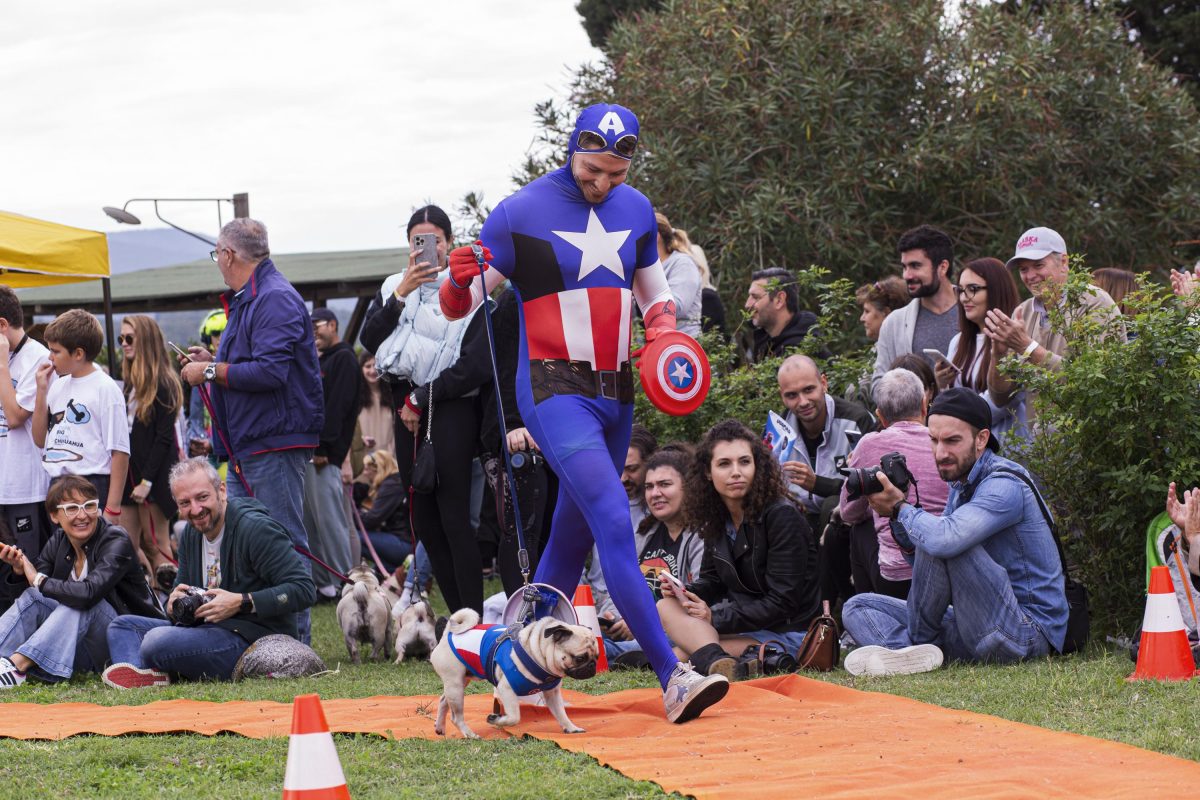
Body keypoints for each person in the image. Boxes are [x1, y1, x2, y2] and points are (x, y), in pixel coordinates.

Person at [439, 103, 729, 722]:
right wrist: (456, 280)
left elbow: (655, 293)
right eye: (594, 170)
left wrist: (664, 337)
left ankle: (518, 670)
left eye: (615, 174)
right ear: (574, 149)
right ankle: (671, 677)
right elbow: (458, 308)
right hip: (549, 389)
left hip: (614, 389)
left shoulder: (633, 209)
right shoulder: (520, 213)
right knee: (612, 520)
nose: (602, 184)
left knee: (569, 540)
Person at [841, 388, 1068, 675]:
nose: (940, 453)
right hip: (977, 622)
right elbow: (928, 563)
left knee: (943, 539)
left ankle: (912, 645)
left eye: (952, 441)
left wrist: (900, 508)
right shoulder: (961, 483)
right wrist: (900, 521)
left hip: (1025, 633)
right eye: (933, 440)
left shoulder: (1005, 485)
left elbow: (943, 542)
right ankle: (918, 655)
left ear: (982, 439)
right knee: (856, 606)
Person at [177, 219, 323, 643]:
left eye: (216, 255)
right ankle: (264, 637)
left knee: (281, 541)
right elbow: (250, 364)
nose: (217, 263)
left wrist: (208, 368)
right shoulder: (252, 298)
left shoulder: (273, 298)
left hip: (272, 441)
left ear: (228, 255)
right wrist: (216, 359)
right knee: (243, 537)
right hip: (251, 443)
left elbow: (271, 372)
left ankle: (296, 646)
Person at [359, 204, 487, 616]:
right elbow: (371, 339)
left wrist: (422, 398)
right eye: (419, 241)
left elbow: (474, 366)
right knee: (425, 524)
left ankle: (473, 618)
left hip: (449, 408)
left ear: (449, 243)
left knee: (453, 518)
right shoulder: (394, 286)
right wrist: (402, 293)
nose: (427, 248)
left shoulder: (472, 287)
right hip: (404, 408)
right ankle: (459, 617)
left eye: (435, 239)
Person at [102, 458, 316, 687]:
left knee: (156, 640)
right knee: (121, 626)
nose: (195, 509)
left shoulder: (256, 529)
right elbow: (183, 591)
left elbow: (304, 589)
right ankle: (150, 676)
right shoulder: (191, 534)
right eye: (185, 503)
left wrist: (241, 602)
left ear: (221, 490)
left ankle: (152, 670)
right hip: (203, 629)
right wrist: (174, 604)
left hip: (249, 636)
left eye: (202, 497)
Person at [656, 420, 819, 679]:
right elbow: (713, 581)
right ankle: (714, 660)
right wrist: (685, 592)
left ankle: (703, 658)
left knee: (682, 653)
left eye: (744, 462)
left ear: (757, 466)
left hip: (790, 633)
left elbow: (783, 603)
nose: (736, 472)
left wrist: (714, 618)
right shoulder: (718, 517)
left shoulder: (781, 516)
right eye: (724, 464)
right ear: (708, 472)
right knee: (666, 606)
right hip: (744, 627)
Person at [0, 475, 163, 688]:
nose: (82, 515)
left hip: (126, 644)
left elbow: (86, 593)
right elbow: (38, 589)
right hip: (82, 648)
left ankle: (17, 666)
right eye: (72, 508)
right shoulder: (59, 540)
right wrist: (20, 572)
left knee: (83, 602)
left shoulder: (116, 539)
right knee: (34, 596)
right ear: (54, 516)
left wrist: (37, 579)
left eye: (89, 506)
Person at [984, 227, 1121, 423]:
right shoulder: (1023, 312)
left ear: (1064, 262)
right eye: (1023, 269)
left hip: (1092, 441)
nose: (1030, 276)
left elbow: (1095, 383)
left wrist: (1027, 347)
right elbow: (1001, 398)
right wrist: (998, 355)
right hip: (1043, 448)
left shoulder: (1095, 302)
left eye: (1038, 265)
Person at [837, 369, 949, 598]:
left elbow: (848, 514)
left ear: (880, 416)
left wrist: (873, 499)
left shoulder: (869, 444)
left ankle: (868, 612)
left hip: (896, 578)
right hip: (949, 570)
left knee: (859, 529)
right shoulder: (945, 443)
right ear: (924, 405)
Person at [602, 447, 705, 667]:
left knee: (608, 647)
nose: (654, 493)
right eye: (649, 487)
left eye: (664, 485)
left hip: (676, 629)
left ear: (689, 487)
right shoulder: (643, 534)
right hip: (635, 630)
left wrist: (642, 623)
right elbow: (621, 585)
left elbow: (697, 601)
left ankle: (609, 654)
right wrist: (610, 616)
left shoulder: (702, 535)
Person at [31, 309, 130, 528]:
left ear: (78, 354)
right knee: (63, 557)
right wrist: (41, 391)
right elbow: (40, 439)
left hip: (90, 483)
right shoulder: (57, 385)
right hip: (57, 484)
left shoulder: (105, 388)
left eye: (55, 351)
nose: (50, 357)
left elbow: (120, 451)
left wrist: (113, 507)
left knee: (92, 556)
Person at [117, 315, 183, 591]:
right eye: (121, 339)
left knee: (157, 546)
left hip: (152, 478)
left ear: (145, 340)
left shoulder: (164, 383)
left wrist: (148, 482)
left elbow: (164, 440)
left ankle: (177, 602)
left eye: (129, 338)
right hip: (129, 476)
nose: (124, 344)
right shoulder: (131, 382)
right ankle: (145, 603)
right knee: (126, 544)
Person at [0, 286, 54, 613]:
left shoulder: (38, 357)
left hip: (25, 486)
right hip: (3, 482)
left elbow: (17, 416)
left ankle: (33, 637)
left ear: (2, 325)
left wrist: (2, 367)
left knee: (26, 566)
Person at [933, 257, 1025, 443]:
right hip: (967, 450)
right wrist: (942, 384)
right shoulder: (958, 342)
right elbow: (952, 400)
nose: (964, 297)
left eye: (973, 289)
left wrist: (959, 413)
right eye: (960, 290)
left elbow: (1005, 401)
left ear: (997, 290)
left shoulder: (1016, 338)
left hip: (1009, 447)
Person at [306, 307, 358, 602]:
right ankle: (323, 582)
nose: (314, 330)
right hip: (312, 452)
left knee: (331, 522)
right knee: (312, 521)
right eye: (310, 325)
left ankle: (345, 582)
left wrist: (325, 447)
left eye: (318, 325)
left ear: (333, 325)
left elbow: (338, 407)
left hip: (326, 455)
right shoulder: (321, 359)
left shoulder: (345, 358)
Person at [871, 225, 959, 390]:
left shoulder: (977, 311)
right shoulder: (894, 323)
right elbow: (878, 386)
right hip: (922, 414)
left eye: (915, 266)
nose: (907, 275)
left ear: (943, 267)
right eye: (904, 267)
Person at [354, 450, 431, 606]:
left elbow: (372, 519)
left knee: (355, 537)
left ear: (380, 468)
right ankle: (390, 572)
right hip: (406, 542)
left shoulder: (391, 484)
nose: (365, 472)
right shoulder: (396, 482)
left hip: (403, 544)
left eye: (369, 468)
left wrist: (352, 514)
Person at [744, 267, 821, 362]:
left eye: (755, 297)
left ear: (779, 300)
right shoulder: (764, 339)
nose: (747, 304)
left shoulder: (800, 355)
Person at [185, 310, 226, 460]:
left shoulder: (236, 370)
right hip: (206, 453)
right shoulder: (200, 371)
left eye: (225, 332)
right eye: (216, 333)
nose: (221, 338)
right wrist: (197, 439)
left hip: (227, 449)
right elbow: (196, 414)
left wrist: (213, 444)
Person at [655, 212, 703, 337]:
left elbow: (677, 307)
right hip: (654, 346)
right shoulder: (642, 269)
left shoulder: (682, 263)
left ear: (655, 235)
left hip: (681, 346)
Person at [357, 351, 395, 460]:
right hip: (363, 463)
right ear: (361, 369)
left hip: (388, 462)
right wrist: (361, 440)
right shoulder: (355, 396)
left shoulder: (392, 395)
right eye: (367, 366)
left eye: (376, 366)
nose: (373, 370)